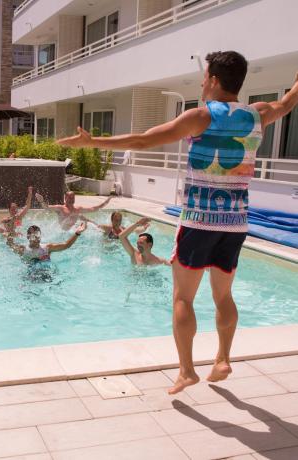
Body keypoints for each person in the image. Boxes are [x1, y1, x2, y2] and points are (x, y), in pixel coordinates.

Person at [56, 51, 298, 394]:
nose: (201, 83)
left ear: (214, 80)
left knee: (183, 298)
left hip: (199, 221)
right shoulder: (258, 114)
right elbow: (288, 102)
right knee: (223, 295)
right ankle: (223, 357)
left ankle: (187, 371)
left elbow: (143, 140)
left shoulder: (201, 116)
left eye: (204, 77)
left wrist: (92, 141)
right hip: (235, 223)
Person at [6, 222, 88, 268]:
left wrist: (77, 233)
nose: (36, 237)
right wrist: (10, 233)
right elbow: (10, 244)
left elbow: (66, 245)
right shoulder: (23, 249)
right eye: (33, 234)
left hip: (48, 278)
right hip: (30, 279)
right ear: (28, 236)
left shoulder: (47, 248)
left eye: (37, 234)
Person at [35, 191, 113, 230]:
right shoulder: (60, 208)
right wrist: (42, 201)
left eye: (73, 197)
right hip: (63, 234)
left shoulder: (78, 209)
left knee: (82, 218)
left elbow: (93, 209)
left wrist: (106, 202)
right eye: (70, 197)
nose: (72, 199)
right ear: (65, 198)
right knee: (80, 217)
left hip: (74, 232)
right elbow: (47, 207)